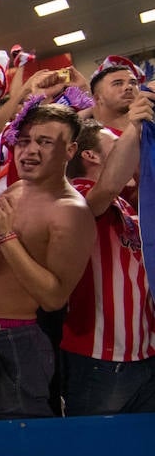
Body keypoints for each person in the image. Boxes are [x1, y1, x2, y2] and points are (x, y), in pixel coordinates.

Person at [0, 103, 96, 420]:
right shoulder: (17, 188)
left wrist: (7, 239)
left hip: (13, 341)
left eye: (45, 142)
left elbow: (54, 297)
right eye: (24, 140)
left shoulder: (70, 210)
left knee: (19, 449)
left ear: (70, 149)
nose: (30, 151)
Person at [59, 96, 155, 415]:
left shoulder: (126, 204)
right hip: (101, 361)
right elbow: (109, 185)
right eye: (117, 143)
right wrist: (134, 126)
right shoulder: (76, 196)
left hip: (143, 355)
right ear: (90, 155)